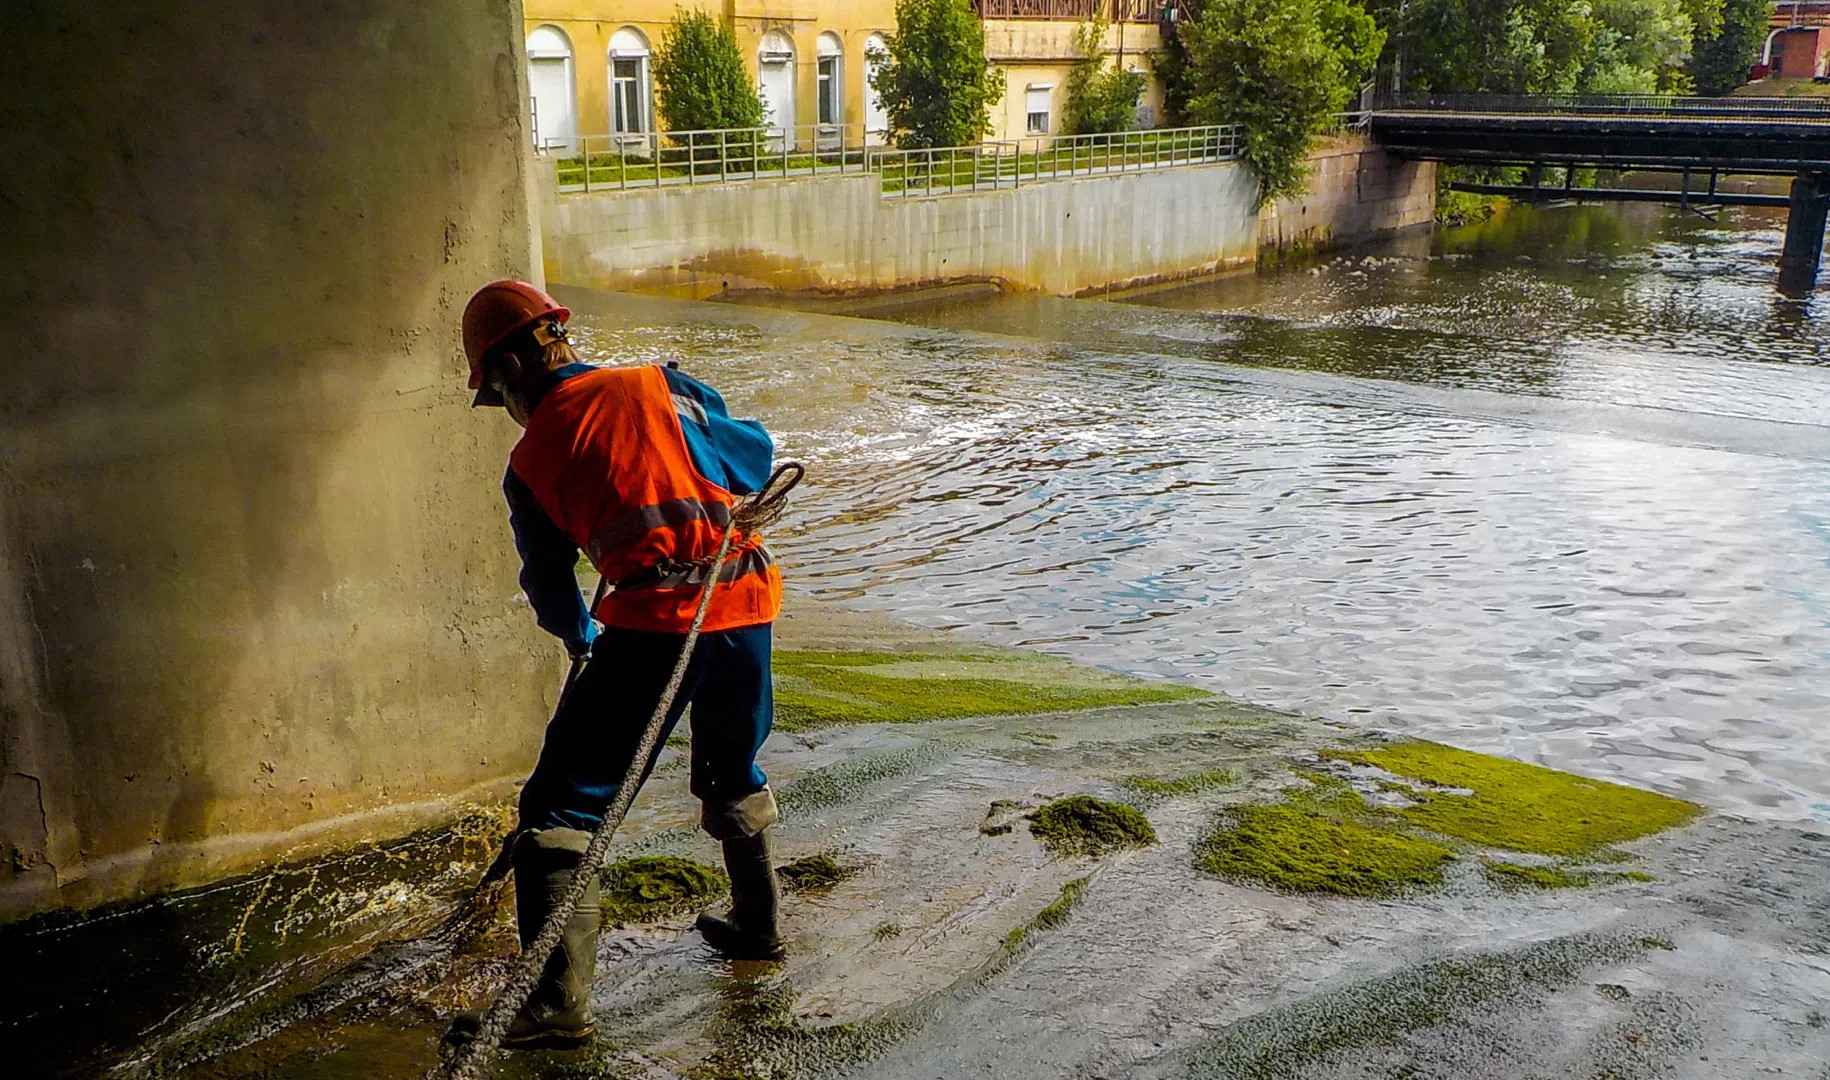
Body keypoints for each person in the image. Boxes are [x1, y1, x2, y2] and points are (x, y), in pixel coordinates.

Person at [450, 280, 786, 1049]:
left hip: (654, 626)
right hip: (745, 605)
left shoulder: (532, 455)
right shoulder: (662, 385)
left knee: (563, 806)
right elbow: (754, 454)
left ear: (503, 376)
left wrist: (577, 638)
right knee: (730, 767)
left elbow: (547, 581)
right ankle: (759, 928)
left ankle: (556, 1005)